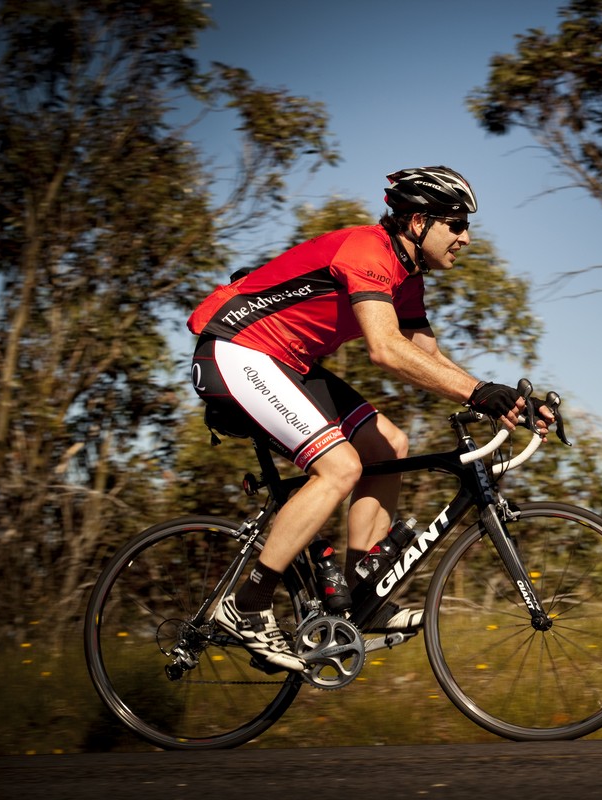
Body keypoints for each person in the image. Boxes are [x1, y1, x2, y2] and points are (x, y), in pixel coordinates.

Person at [187, 166, 550, 671]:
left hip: (287, 363)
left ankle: (363, 594)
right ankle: (246, 605)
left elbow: (427, 355)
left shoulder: (407, 276)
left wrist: (507, 400)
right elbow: (386, 349)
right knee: (340, 467)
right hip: (236, 352)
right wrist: (477, 393)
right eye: (457, 224)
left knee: (389, 447)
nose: (466, 238)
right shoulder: (367, 252)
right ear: (419, 222)